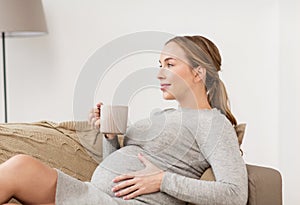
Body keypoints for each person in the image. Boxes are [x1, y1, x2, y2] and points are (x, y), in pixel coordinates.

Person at [0, 36, 248, 205]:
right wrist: (109, 136)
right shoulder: (165, 117)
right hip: (95, 194)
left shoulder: (214, 124)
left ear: (198, 72)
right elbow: (116, 170)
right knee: (21, 167)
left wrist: (162, 180)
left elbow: (235, 193)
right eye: (159, 64)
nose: (160, 72)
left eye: (170, 64)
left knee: (21, 168)